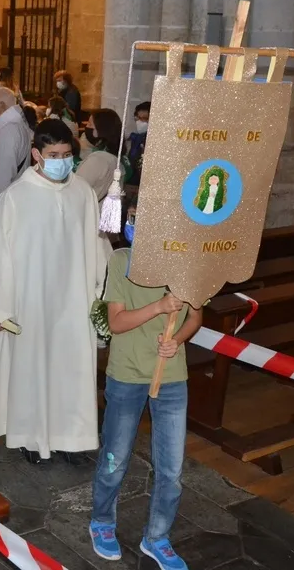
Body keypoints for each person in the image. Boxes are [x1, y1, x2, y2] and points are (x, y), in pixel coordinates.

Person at [0, 119, 105, 465]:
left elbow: (95, 244)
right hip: (31, 301)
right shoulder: (15, 197)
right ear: (36, 154)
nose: (61, 161)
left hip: (74, 299)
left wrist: (101, 290)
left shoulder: (82, 192)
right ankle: (31, 437)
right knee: (32, 369)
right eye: (53, 155)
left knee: (71, 370)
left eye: (66, 155)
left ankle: (71, 438)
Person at [89, 230, 202, 569]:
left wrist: (177, 340)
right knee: (115, 457)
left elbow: (196, 317)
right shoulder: (123, 260)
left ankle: (157, 536)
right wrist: (159, 307)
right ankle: (102, 520)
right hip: (127, 373)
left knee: (172, 468)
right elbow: (116, 322)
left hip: (172, 376)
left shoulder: (187, 262)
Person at [0, 87, 32, 210]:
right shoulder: (18, 123)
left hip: (0, 196)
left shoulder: (9, 129)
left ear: (2, 105)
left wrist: (0, 206)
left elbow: (5, 172)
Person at [77, 109, 132, 202]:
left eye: (90, 124)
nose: (86, 127)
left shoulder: (98, 159)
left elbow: (76, 189)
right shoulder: (118, 157)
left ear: (101, 130)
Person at [127, 101, 151, 185]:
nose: (140, 122)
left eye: (145, 119)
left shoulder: (153, 141)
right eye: (138, 118)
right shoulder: (136, 138)